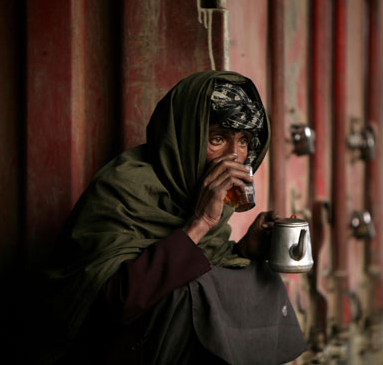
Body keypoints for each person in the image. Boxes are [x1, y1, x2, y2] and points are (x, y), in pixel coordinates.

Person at [26, 71, 307, 364]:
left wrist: (244, 250)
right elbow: (114, 304)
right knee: (186, 292)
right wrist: (198, 223)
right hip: (101, 352)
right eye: (217, 138)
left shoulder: (197, 192)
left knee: (256, 277)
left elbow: (203, 265)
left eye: (244, 141)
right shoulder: (124, 187)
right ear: (185, 138)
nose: (234, 156)